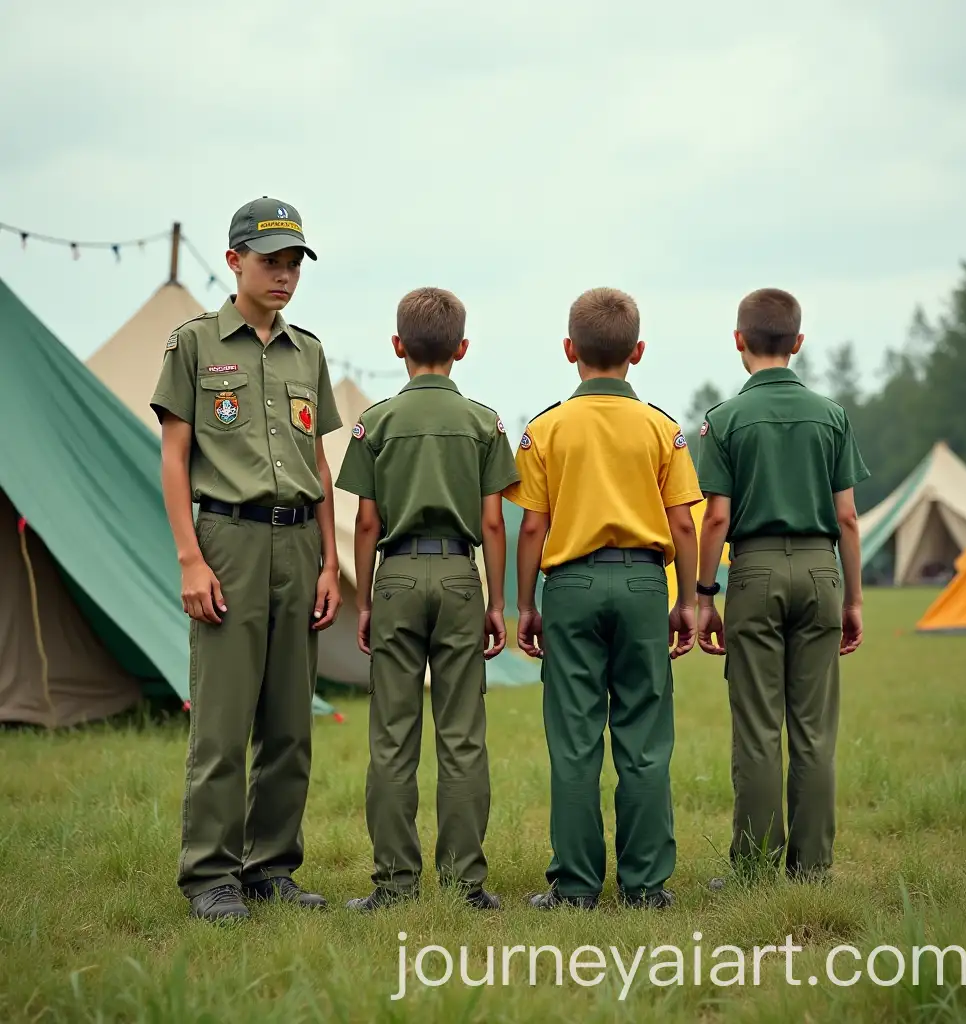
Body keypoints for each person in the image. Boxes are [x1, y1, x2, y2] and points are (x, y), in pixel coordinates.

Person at [150, 197, 344, 922]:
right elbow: (174, 458)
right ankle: (210, 876)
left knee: (291, 724)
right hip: (226, 540)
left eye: (295, 262)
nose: (285, 276)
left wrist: (330, 563)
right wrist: (189, 559)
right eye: (271, 262)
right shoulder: (195, 344)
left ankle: (271, 868)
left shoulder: (310, 352)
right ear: (234, 261)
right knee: (224, 722)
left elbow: (318, 464)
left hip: (299, 543)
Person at [504, 287, 702, 910]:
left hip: (571, 587)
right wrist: (689, 599)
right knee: (644, 738)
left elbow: (532, 526)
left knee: (575, 742)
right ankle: (646, 887)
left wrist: (526, 603)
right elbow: (686, 525)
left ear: (570, 350)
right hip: (645, 584)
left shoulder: (546, 429)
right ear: (637, 352)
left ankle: (576, 887)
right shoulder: (663, 430)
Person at [335, 286, 519, 913]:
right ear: (461, 348)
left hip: (397, 576)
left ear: (397, 347)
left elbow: (365, 522)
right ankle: (466, 885)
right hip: (461, 576)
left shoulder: (377, 422)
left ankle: (393, 886)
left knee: (392, 737)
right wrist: (497, 602)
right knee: (463, 735)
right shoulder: (483, 422)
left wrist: (365, 603)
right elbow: (494, 523)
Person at [694, 287, 869, 886]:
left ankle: (757, 868)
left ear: (739, 341)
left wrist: (703, 594)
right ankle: (814, 867)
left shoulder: (722, 421)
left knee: (759, 729)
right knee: (814, 730)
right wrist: (853, 597)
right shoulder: (832, 416)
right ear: (797, 343)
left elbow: (715, 516)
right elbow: (848, 516)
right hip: (822, 570)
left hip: (754, 572)